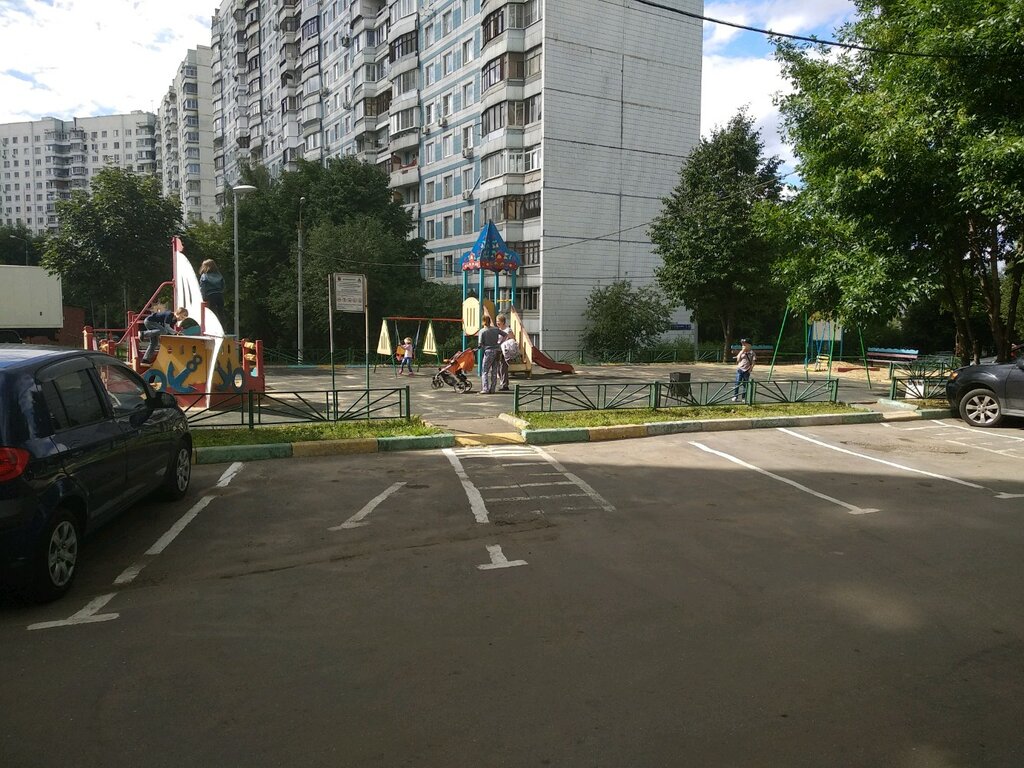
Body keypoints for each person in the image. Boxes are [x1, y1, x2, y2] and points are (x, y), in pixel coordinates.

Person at [477, 315, 507, 394]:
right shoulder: (496, 329)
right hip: (497, 351)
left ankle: (485, 388)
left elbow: (480, 344)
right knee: (494, 371)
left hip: (488, 351)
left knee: (485, 371)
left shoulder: (482, 331)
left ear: (483, 321)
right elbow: (505, 335)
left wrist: (480, 347)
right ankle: (492, 388)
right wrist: (500, 343)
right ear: (490, 321)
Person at [199, 259, 226, 323]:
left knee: (212, 312)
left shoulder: (204, 276)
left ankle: (213, 327)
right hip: (219, 295)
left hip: (210, 296)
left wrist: (203, 297)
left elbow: (202, 288)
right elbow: (223, 285)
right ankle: (224, 328)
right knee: (221, 312)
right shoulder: (219, 275)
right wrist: (220, 291)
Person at [733, 338, 756, 402]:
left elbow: (753, 362)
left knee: (745, 385)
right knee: (737, 383)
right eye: (742, 345)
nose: (743, 346)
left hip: (747, 370)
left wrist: (750, 369)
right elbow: (738, 360)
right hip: (740, 369)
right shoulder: (741, 352)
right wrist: (742, 352)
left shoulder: (752, 353)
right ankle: (735, 396)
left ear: (749, 345)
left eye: (745, 344)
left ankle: (743, 397)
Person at [495, 313, 513, 392]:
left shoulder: (508, 330)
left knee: (503, 367)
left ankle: (504, 385)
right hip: (498, 350)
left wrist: (505, 343)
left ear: (503, 322)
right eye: (496, 321)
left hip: (505, 351)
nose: (497, 323)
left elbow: (512, 339)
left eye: (498, 321)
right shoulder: (498, 330)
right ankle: (502, 383)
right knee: (499, 368)